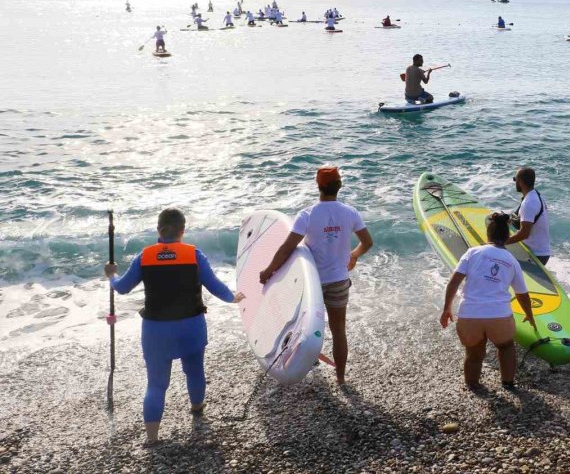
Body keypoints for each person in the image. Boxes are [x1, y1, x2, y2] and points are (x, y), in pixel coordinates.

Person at [104, 208, 244, 445]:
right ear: (183, 230)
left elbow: (122, 288)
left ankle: (152, 438)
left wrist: (111, 276)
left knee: (156, 384)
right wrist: (233, 298)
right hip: (191, 327)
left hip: (156, 330)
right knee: (195, 370)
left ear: (159, 230)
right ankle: (197, 408)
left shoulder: (145, 256)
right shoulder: (194, 254)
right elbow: (214, 285)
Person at [260, 167, 373, 385]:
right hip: (339, 280)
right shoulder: (350, 212)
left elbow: (287, 248)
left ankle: (300, 365)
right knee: (339, 330)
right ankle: (340, 378)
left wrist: (269, 270)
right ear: (339, 186)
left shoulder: (308, 214)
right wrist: (354, 254)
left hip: (311, 283)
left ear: (318, 185)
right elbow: (367, 242)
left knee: (302, 326)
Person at [440, 213, 537, 391]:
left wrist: (447, 308)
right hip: (498, 316)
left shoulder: (472, 252)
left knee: (474, 353)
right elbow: (522, 294)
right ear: (508, 237)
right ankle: (507, 383)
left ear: (488, 235)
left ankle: (473, 386)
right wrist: (529, 315)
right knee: (506, 347)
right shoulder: (512, 261)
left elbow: (454, 282)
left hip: (470, 315)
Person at [507, 168, 551, 265]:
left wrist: (502, 242)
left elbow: (524, 234)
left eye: (515, 179)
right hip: (538, 250)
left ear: (521, 182)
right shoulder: (535, 195)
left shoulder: (529, 203)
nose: (515, 182)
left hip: (536, 254)